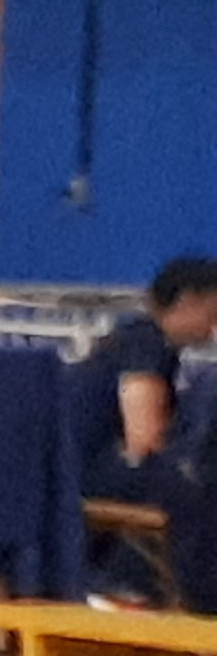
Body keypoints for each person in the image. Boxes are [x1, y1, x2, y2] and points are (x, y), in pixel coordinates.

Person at [74, 258, 217, 605]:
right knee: (194, 490)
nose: (214, 325)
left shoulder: (140, 342)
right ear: (188, 302)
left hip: (96, 467)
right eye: (213, 312)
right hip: (85, 472)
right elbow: (144, 437)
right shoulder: (144, 344)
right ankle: (130, 587)